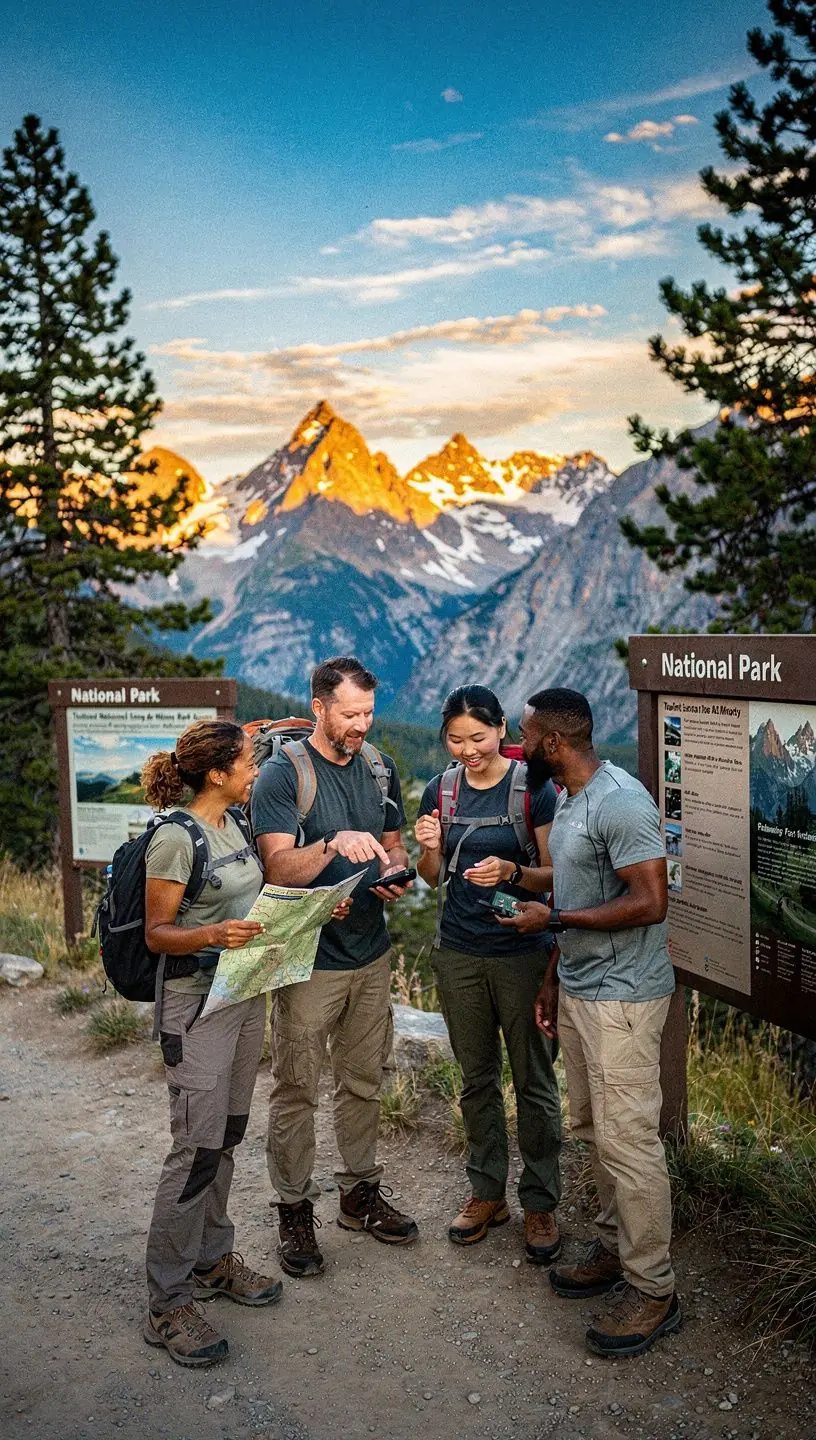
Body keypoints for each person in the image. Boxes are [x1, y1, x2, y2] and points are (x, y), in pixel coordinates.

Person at [498, 687, 681, 1359]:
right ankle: (614, 1246)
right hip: (581, 990)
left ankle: (654, 1289)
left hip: (624, 1001)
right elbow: (573, 889)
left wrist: (556, 922)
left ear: (553, 743)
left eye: (525, 736)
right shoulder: (574, 798)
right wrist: (553, 975)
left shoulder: (621, 803)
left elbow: (649, 902)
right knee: (593, 1130)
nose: (518, 747)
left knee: (629, 1142)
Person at [251, 655, 419, 1277]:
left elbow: (392, 843)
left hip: (370, 952)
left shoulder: (379, 767)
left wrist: (393, 875)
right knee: (297, 1087)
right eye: (350, 714)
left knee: (363, 1080)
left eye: (369, 713)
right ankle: (294, 1209)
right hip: (308, 959)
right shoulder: (281, 776)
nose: (361, 726)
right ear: (319, 708)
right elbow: (277, 868)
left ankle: (358, 1194)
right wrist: (331, 845)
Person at [141, 719, 281, 1369]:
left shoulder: (236, 825)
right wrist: (213, 936)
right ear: (218, 772)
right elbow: (158, 934)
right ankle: (167, 1302)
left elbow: (251, 903)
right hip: (194, 1005)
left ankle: (212, 1260)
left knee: (225, 1133)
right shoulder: (176, 837)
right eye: (249, 762)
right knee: (193, 1149)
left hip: (242, 995)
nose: (257, 770)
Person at [414, 685, 562, 1262]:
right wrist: (429, 847)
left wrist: (512, 870)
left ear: (504, 730)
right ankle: (486, 1192)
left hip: (523, 953)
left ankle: (542, 1200)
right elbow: (432, 878)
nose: (467, 750)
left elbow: (555, 876)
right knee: (476, 1078)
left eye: (478, 737)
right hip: (459, 952)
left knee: (533, 1079)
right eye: (455, 739)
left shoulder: (535, 790)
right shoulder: (441, 790)